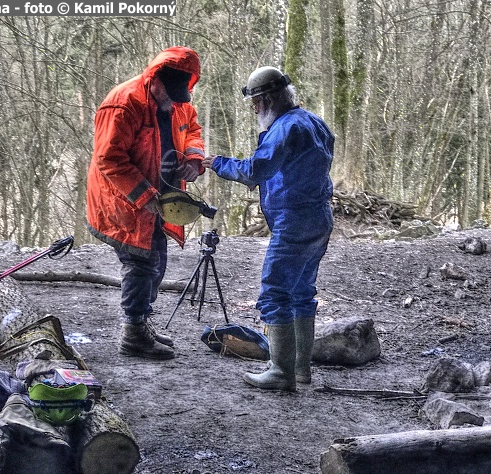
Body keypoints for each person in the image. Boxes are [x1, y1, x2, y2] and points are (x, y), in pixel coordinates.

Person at [202, 66, 334, 391]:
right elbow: (300, 167)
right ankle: (301, 369)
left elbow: (256, 170)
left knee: (275, 292)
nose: (254, 109)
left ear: (268, 100)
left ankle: (280, 371)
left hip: (295, 221)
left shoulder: (283, 129)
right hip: (319, 217)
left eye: (256, 102)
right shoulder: (314, 122)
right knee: (302, 293)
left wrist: (218, 163)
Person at [86, 46, 205, 360]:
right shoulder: (123, 104)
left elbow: (192, 128)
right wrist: (143, 195)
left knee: (157, 258)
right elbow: (108, 159)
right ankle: (134, 333)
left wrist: (194, 159)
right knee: (141, 262)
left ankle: (142, 321)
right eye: (168, 92)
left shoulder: (178, 102)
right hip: (123, 201)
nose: (174, 100)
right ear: (155, 79)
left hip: (161, 197)